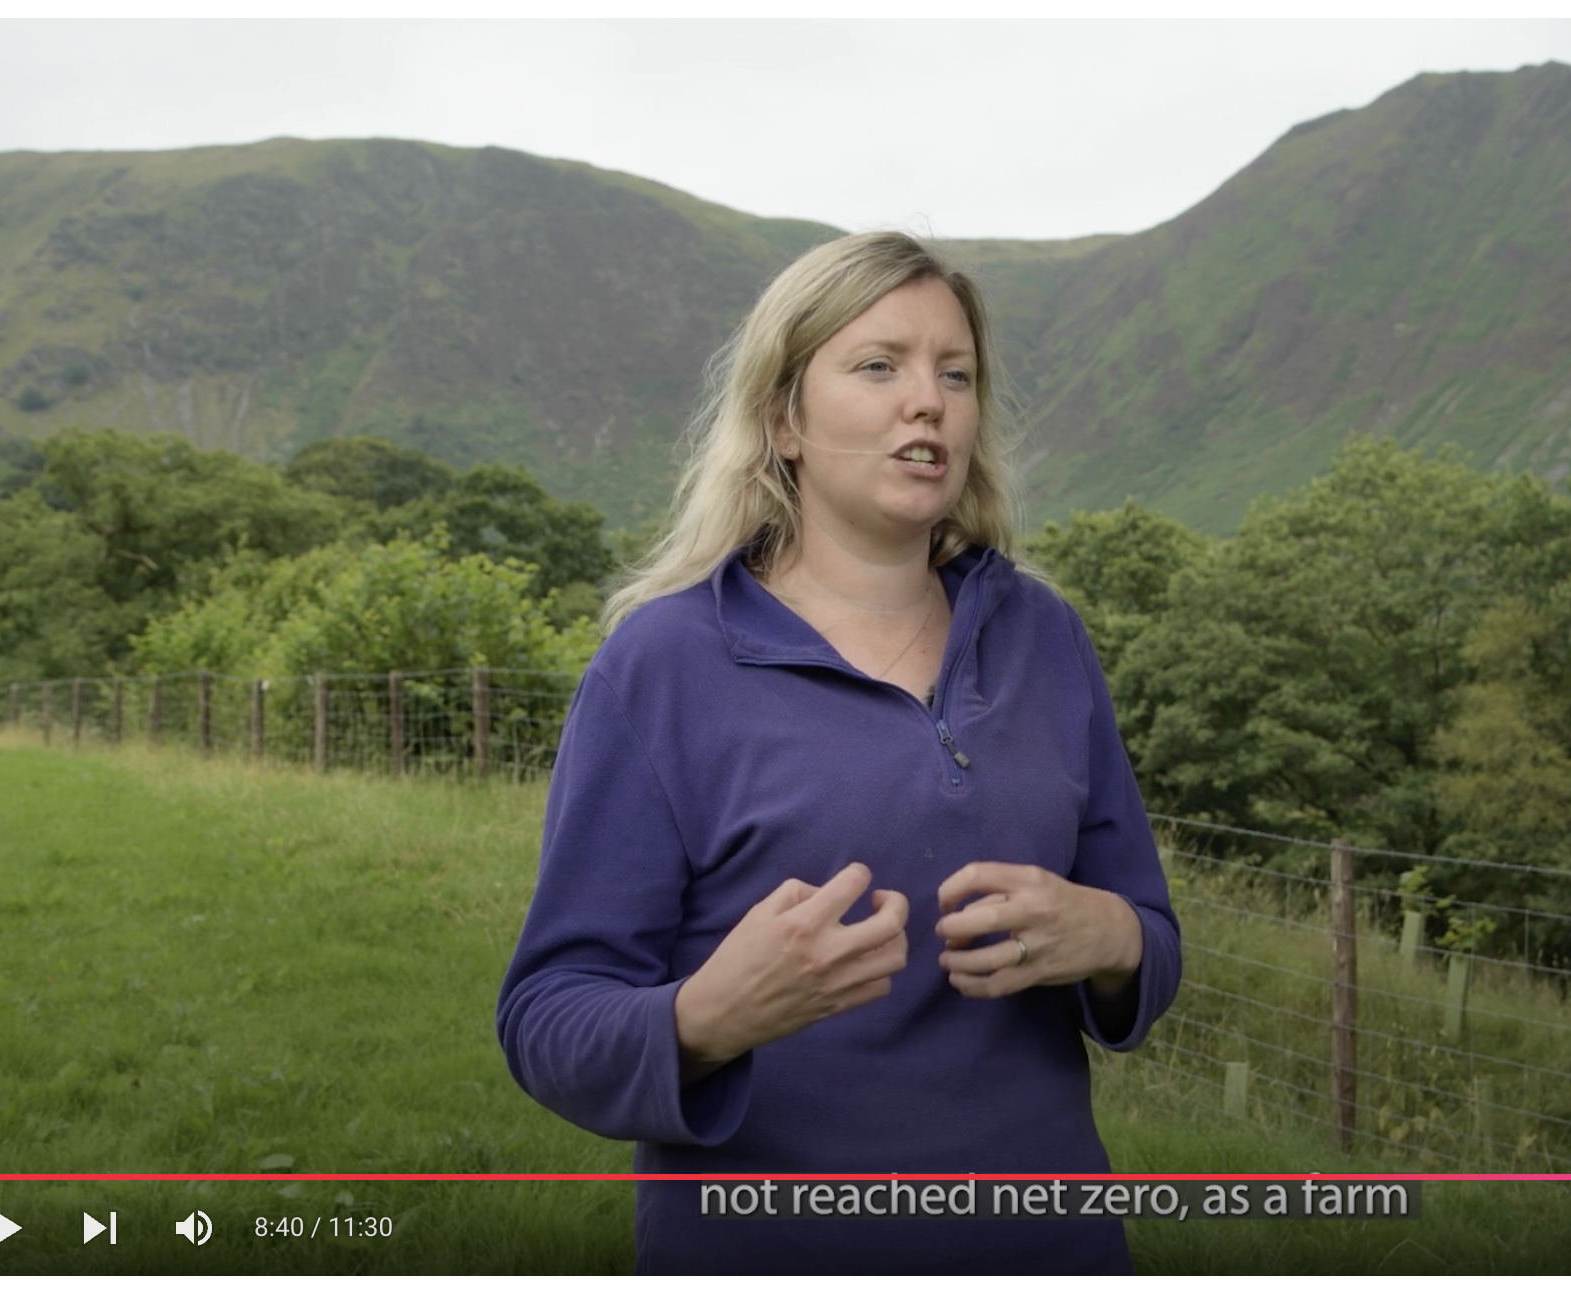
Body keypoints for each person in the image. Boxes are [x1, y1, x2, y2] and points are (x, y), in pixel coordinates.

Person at [495, 230, 1181, 1275]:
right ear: (782, 418)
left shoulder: (1044, 636)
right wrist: (702, 1018)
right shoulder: (661, 665)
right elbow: (549, 1017)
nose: (929, 401)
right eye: (878, 365)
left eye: (955, 373)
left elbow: (1150, 938)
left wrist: (1111, 937)